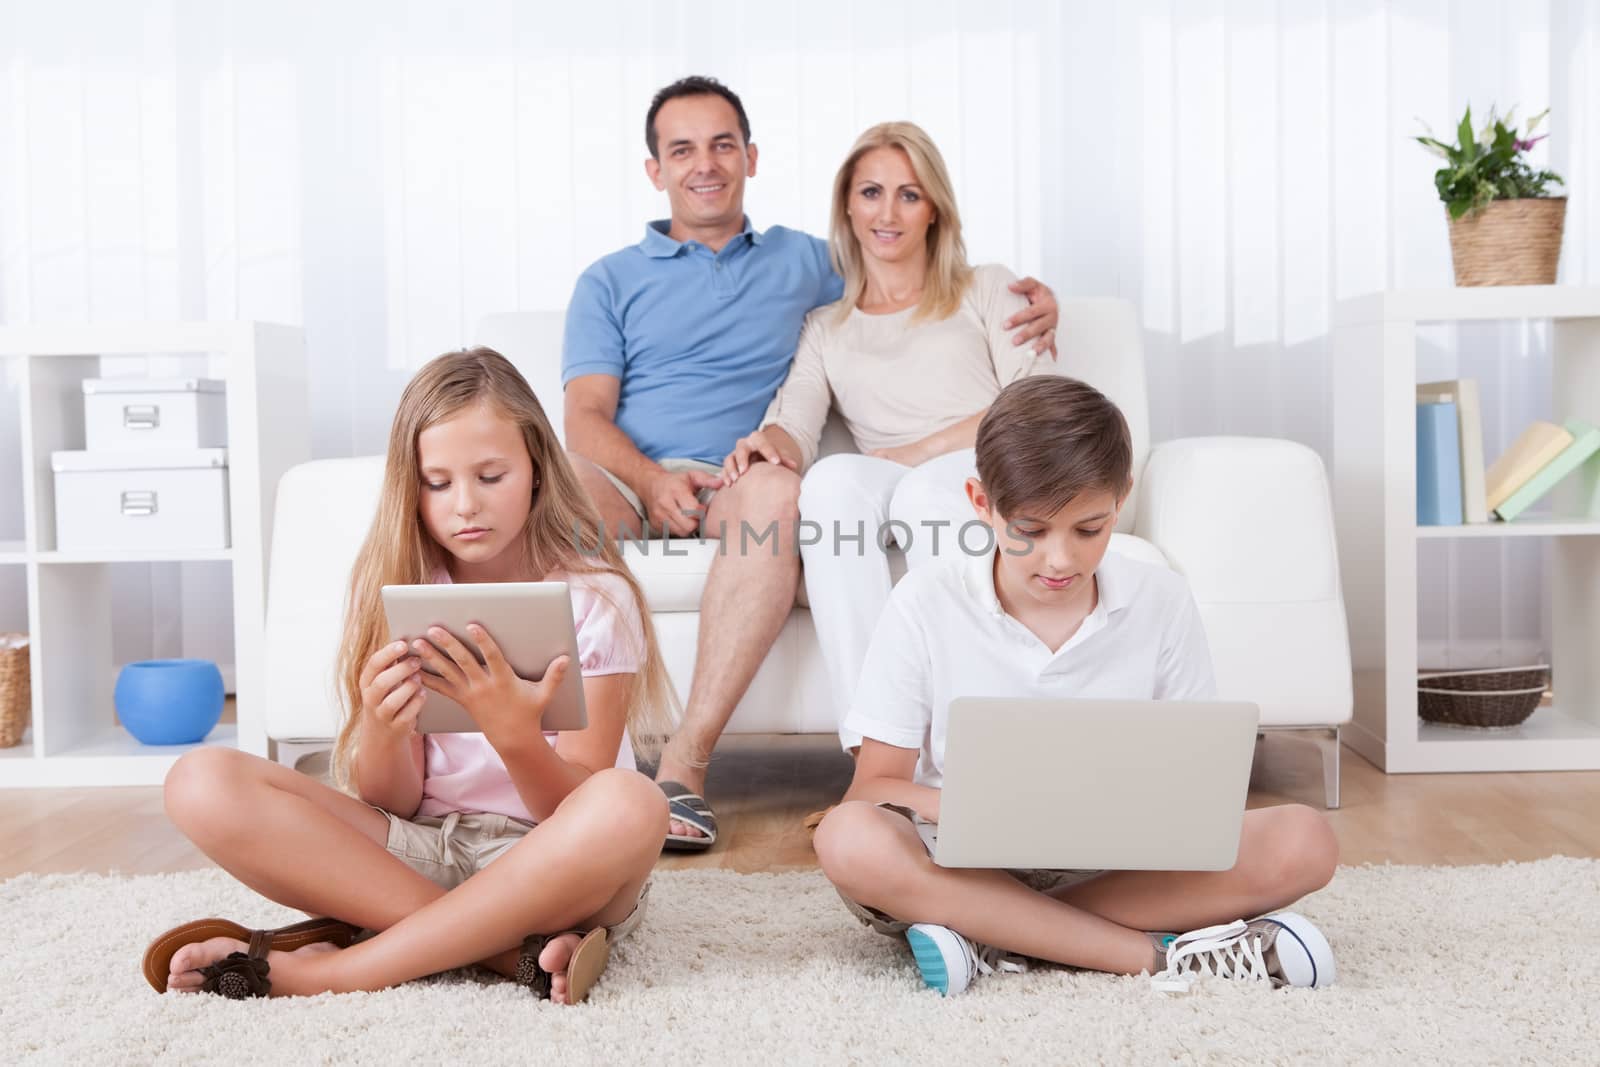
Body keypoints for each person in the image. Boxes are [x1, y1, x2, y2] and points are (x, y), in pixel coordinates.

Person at [562, 77, 1061, 850]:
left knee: (792, 491)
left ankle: (686, 771)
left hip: (751, 486)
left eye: (723, 144)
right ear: (654, 168)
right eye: (682, 148)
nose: (705, 164)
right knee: (546, 499)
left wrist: (1041, 301)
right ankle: (549, 773)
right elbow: (587, 419)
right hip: (634, 473)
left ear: (751, 157)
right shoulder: (611, 280)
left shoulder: (814, 266)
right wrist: (662, 478)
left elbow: (917, 291)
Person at [144, 348, 672, 1004]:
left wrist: (514, 735)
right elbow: (391, 801)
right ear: (411, 486)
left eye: (491, 475)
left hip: (552, 863)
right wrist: (382, 726)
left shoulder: (597, 598)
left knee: (634, 802)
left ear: (536, 467)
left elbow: (584, 802)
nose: (465, 505)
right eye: (439, 482)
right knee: (199, 780)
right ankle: (509, 953)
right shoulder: (404, 590)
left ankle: (332, 969)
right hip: (423, 849)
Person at [811, 376, 1339, 997]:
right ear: (981, 502)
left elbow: (1200, 782)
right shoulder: (925, 600)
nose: (1059, 560)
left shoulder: (1161, 600)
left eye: (1088, 530)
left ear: (1121, 500)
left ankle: (989, 935)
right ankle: (1155, 957)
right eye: (1030, 531)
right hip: (960, 859)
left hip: (1117, 863)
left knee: (1306, 840)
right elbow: (873, 786)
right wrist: (979, 811)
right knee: (848, 837)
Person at [722, 121, 1055, 749]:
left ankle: (967, 751)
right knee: (831, 483)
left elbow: (1032, 402)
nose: (889, 212)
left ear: (934, 209)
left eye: (909, 194)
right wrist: (769, 444)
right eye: (872, 192)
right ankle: (878, 749)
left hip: (981, 466)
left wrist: (916, 452)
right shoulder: (826, 325)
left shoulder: (986, 287)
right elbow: (795, 424)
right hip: (889, 475)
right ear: (847, 204)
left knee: (925, 493)